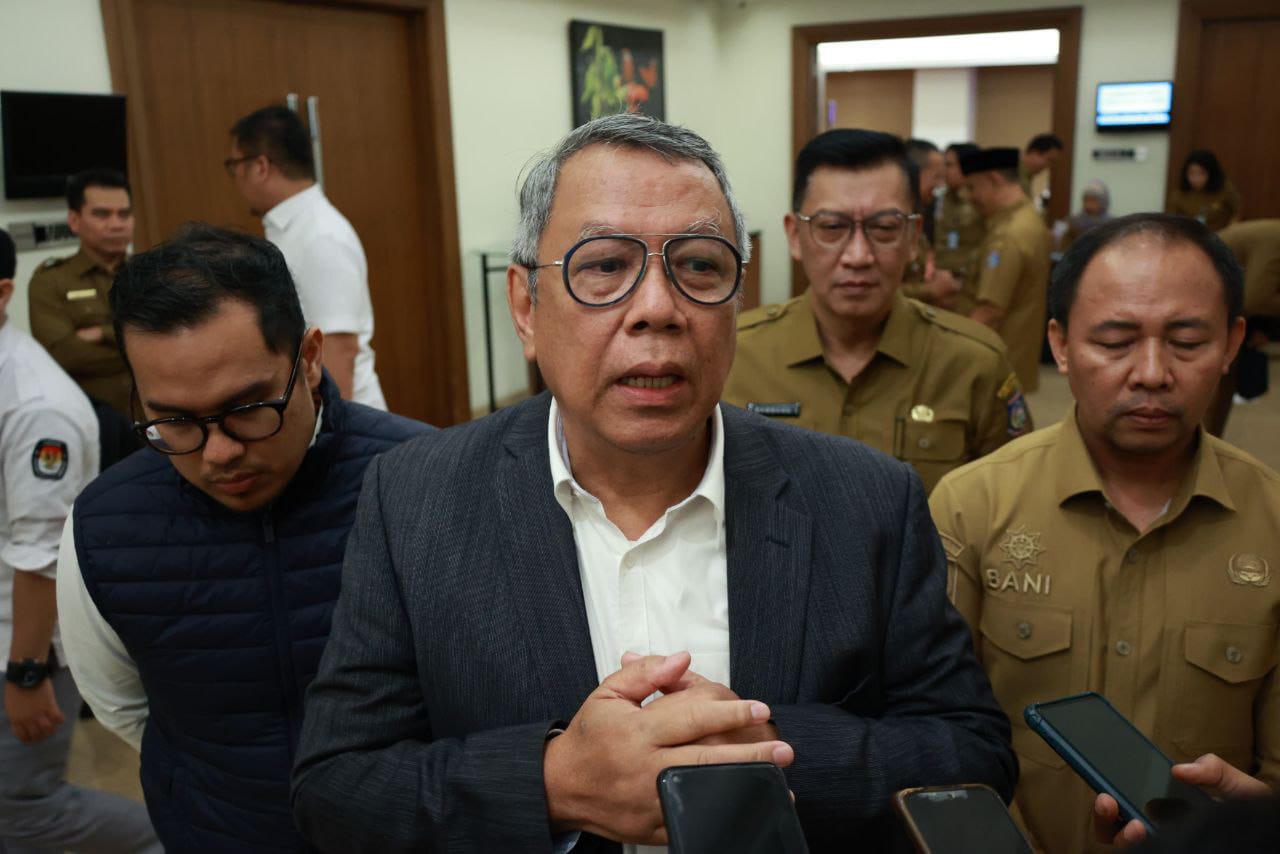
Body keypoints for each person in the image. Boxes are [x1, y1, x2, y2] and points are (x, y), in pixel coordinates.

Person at [291, 114, 1016, 853]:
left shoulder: (868, 500)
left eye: (699, 266)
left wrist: (765, 748)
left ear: (737, 301)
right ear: (525, 307)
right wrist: (551, 784)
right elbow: (336, 786)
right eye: (604, 265)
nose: (658, 309)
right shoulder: (415, 499)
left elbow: (972, 752)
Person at [55, 225, 427, 852]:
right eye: (174, 420)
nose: (219, 454)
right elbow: (121, 706)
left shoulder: (425, 480)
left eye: (249, 408)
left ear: (309, 360)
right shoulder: (103, 527)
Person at [930, 213, 1279, 854]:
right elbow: (940, 734)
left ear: (1232, 343)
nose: (1151, 372)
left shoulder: (1273, 523)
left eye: (1187, 341)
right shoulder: (972, 507)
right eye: (1116, 342)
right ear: (1060, 345)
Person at [722, 129, 1030, 494]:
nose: (858, 256)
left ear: (913, 237)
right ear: (794, 235)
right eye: (832, 227)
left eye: (884, 228)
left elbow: (1011, 502)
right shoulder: (734, 357)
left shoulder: (973, 363)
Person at [0, 229, 160, 853]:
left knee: (24, 811)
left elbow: (40, 556)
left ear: (3, 294)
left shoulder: (37, 406)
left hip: (21, 643)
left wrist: (26, 673)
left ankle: (173, 839)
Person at [227, 105, 387, 408]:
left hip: (341, 414)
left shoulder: (319, 235)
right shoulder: (291, 228)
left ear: (260, 166)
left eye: (233, 165)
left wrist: (331, 428)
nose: (234, 178)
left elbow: (339, 349)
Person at [27, 169, 134, 416]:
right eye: (102, 214)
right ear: (74, 221)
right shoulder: (50, 281)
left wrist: (102, 333)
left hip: (154, 419)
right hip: (93, 420)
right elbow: (63, 355)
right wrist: (142, 343)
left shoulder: (150, 274)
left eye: (124, 214)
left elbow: (175, 340)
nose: (117, 224)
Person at [962, 147, 1052, 392]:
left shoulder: (1007, 236)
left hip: (994, 361)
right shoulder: (1030, 218)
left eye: (972, 187)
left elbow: (990, 312)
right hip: (1016, 356)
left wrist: (953, 358)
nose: (970, 197)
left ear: (993, 179)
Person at [1205, 219, 1280, 434]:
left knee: (1224, 386)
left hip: (1224, 310)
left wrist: (1265, 330)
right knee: (1211, 393)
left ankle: (1211, 443)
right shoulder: (1275, 240)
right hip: (1206, 306)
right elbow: (1256, 299)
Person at [901, 137, 962, 308]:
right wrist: (930, 290)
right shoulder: (894, 223)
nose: (940, 185)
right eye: (936, 177)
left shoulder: (915, 214)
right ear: (914, 175)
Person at [933, 142, 984, 298]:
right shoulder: (943, 199)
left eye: (949, 165)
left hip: (971, 283)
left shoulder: (981, 201)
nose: (943, 171)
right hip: (943, 279)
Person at [1167, 149, 1242, 232]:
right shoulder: (1178, 194)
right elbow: (1173, 221)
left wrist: (1232, 227)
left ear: (1211, 173)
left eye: (1201, 173)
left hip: (1221, 235)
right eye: (1191, 173)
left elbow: (1237, 210)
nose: (1196, 178)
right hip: (1191, 236)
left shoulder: (1225, 189)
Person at [1058, 179, 1113, 251]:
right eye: (1086, 200)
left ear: (1104, 202)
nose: (1089, 204)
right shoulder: (1073, 222)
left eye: (1093, 200)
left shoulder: (1111, 225)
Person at [1020, 133, 1064, 210]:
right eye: (1050, 160)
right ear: (1034, 152)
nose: (1049, 166)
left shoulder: (1027, 175)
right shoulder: (1006, 172)